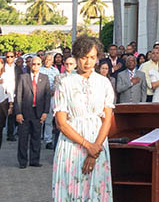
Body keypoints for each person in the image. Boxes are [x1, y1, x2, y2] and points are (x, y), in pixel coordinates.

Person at [52, 36, 114, 202]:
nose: (88, 62)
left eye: (92, 57)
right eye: (84, 57)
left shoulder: (104, 83)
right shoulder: (64, 84)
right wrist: (88, 146)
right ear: (76, 57)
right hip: (71, 146)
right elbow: (61, 123)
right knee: (72, 190)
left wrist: (95, 150)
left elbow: (107, 120)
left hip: (98, 143)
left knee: (96, 191)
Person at [15, 55, 52, 168]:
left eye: (38, 64)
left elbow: (47, 96)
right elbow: (18, 96)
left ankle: (34, 160)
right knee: (23, 138)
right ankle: (22, 161)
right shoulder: (23, 77)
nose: (35, 66)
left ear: (41, 65)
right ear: (30, 64)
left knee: (36, 138)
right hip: (25, 112)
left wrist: (45, 112)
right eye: (33, 64)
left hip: (38, 112)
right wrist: (18, 112)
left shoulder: (44, 78)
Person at [2, 52, 20, 142]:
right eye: (7, 56)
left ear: (14, 58)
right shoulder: (2, 68)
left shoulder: (17, 68)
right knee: (1, 115)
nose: (9, 58)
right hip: (3, 93)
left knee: (12, 115)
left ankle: (10, 134)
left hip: (13, 93)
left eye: (11, 56)